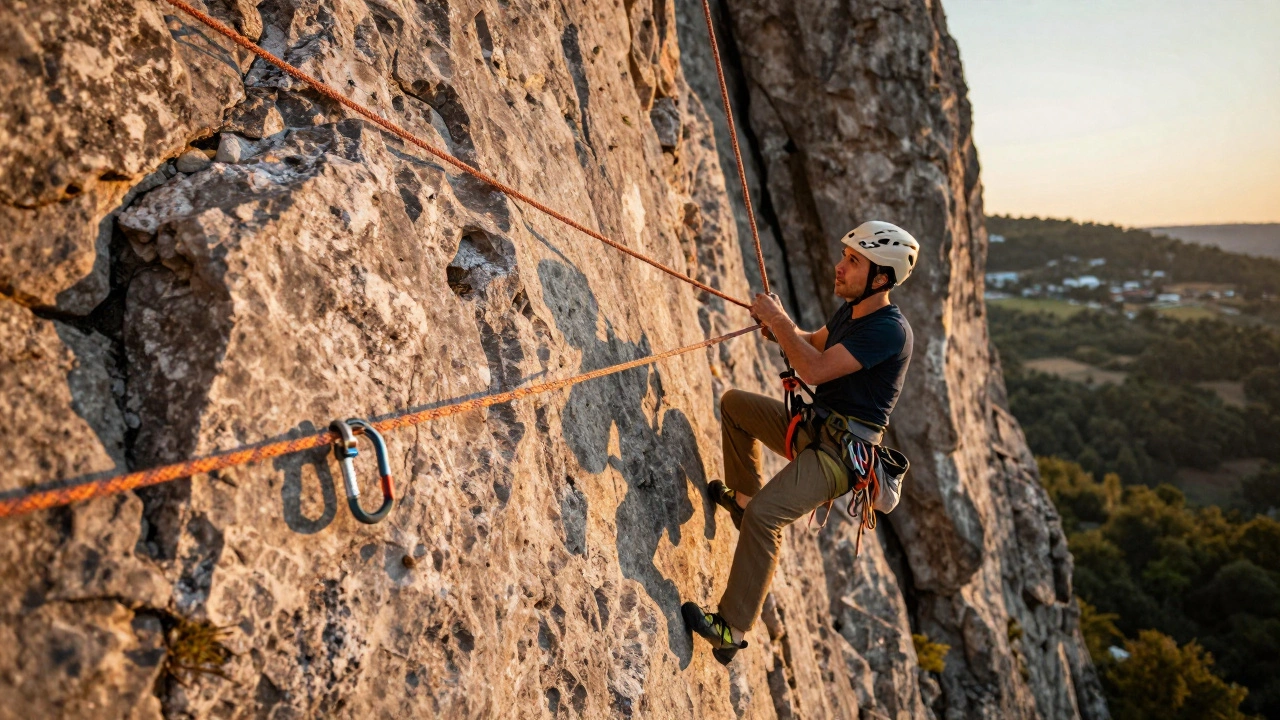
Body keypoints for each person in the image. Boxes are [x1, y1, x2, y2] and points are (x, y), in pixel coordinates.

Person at [682, 221, 919, 665]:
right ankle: (743, 498)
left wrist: (778, 322)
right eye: (845, 257)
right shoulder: (852, 312)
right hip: (814, 428)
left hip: (841, 456)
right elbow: (812, 344)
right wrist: (781, 330)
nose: (840, 267)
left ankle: (730, 629)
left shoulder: (890, 330)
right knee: (735, 405)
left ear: (881, 278)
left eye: (854, 262)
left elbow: (815, 369)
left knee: (766, 518)